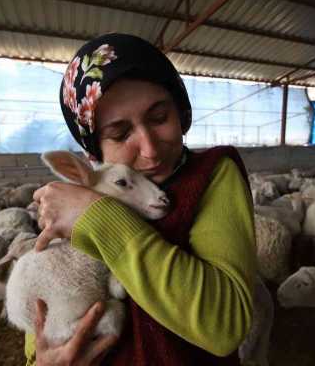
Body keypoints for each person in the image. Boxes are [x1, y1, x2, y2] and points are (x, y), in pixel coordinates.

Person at [27, 33, 256, 366]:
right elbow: (40, 322)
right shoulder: (73, 201)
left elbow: (225, 326)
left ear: (180, 109)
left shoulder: (211, 176)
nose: (150, 149)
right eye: (120, 134)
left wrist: (97, 216)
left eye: (159, 117)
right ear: (94, 150)